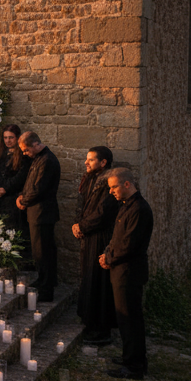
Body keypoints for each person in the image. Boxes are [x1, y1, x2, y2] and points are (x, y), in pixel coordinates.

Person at [101, 167, 155, 380]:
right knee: (124, 318)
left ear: (127, 184)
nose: (111, 191)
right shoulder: (127, 206)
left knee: (130, 318)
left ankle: (134, 365)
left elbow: (128, 244)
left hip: (129, 271)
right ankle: (130, 357)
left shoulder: (139, 209)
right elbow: (117, 237)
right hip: (121, 269)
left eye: (114, 187)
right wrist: (107, 253)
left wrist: (109, 259)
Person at [73, 147, 119, 345]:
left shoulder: (109, 183)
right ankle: (90, 322)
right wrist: (77, 224)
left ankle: (101, 329)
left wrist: (83, 226)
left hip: (100, 237)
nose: (86, 162)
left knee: (99, 282)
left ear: (103, 162)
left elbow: (103, 212)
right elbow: (82, 205)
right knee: (89, 278)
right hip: (88, 235)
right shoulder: (89, 179)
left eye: (91, 160)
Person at [17, 131, 61, 302]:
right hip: (36, 212)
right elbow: (30, 184)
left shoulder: (47, 160)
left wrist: (23, 201)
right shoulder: (37, 159)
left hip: (43, 212)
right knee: (38, 251)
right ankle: (42, 280)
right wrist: (22, 196)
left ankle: (46, 289)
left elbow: (38, 188)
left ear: (36, 144)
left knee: (44, 251)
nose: (24, 153)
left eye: (26, 150)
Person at [0, 124, 31, 237]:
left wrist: (4, 189)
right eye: (5, 138)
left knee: (10, 230)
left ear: (17, 138)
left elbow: (21, 176)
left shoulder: (23, 155)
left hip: (11, 198)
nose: (8, 141)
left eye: (11, 137)